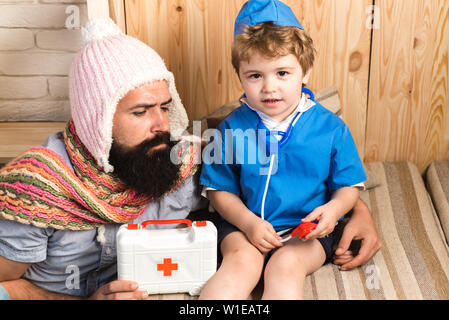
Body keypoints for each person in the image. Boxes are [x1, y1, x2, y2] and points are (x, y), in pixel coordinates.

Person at [0, 18, 206, 300]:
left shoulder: (178, 166)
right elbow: (4, 287)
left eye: (164, 107)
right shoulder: (38, 191)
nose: (162, 125)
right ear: (97, 121)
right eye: (141, 112)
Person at [199, 0, 374, 300]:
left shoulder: (330, 128)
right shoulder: (231, 128)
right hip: (244, 226)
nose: (269, 87)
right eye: (255, 75)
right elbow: (218, 190)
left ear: (305, 71)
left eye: (282, 73)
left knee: (285, 265)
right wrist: (248, 223)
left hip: (305, 233)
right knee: (241, 263)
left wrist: (333, 211)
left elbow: (349, 187)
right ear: (239, 75)